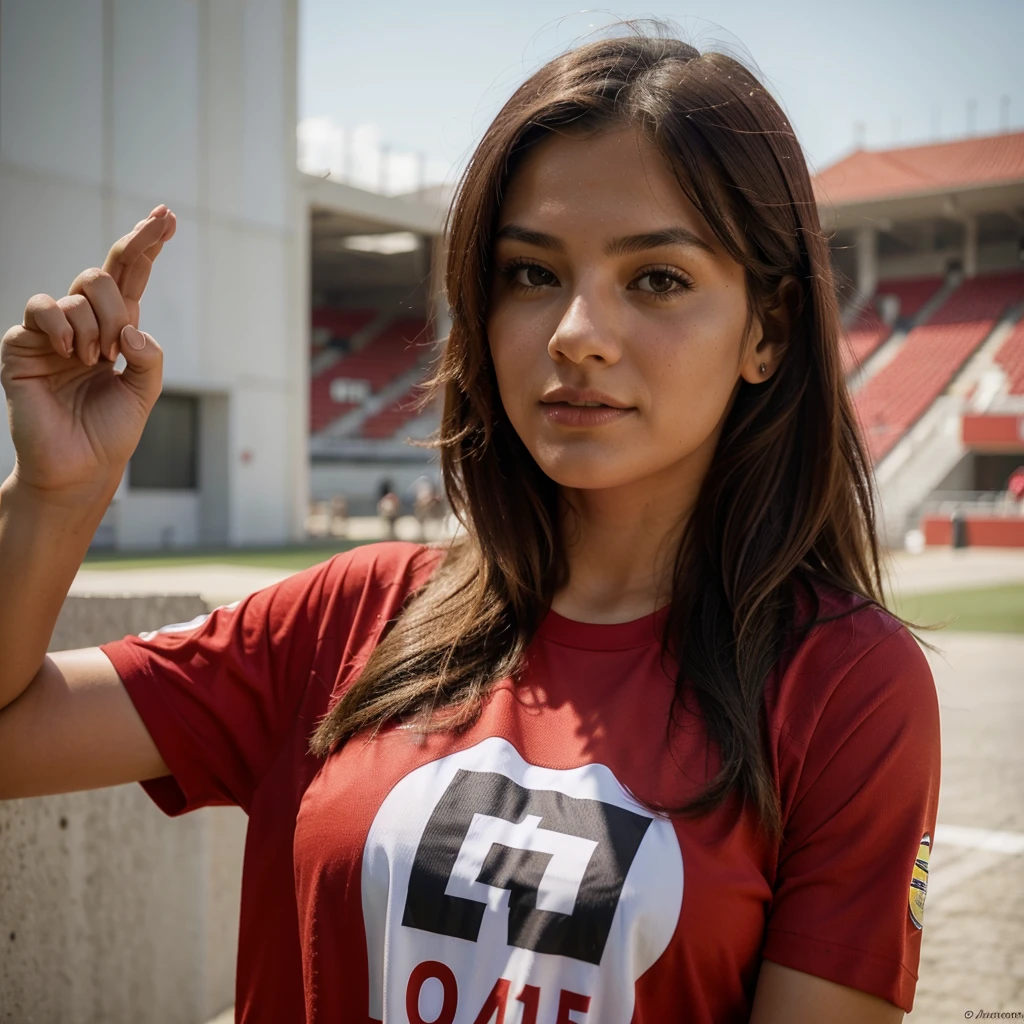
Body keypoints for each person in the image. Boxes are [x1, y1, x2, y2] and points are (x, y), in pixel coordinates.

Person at [0, 33, 939, 1024]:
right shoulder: (349, 614)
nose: (575, 331)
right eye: (531, 273)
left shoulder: (845, 688)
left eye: (656, 277)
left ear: (768, 330)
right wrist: (56, 495)